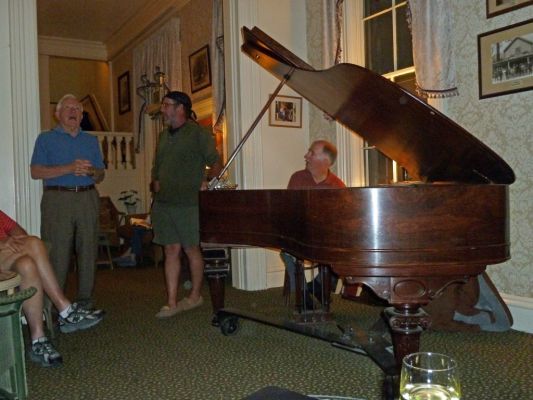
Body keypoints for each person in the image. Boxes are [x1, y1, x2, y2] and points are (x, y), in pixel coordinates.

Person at [0, 210, 104, 367]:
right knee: (34, 244)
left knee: (27, 264)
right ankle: (65, 310)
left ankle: (38, 340)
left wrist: (12, 243)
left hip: (6, 259)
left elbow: (19, 232)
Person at [30, 94, 105, 310]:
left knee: (89, 251)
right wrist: (70, 168)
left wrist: (91, 171)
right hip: (57, 199)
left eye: (78, 109)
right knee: (57, 254)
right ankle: (54, 307)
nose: (74, 112)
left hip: (87, 197)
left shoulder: (91, 140)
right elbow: (36, 172)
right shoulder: (45, 139)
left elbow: (100, 174)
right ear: (58, 114)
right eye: (69, 108)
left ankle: (85, 303)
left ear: (81, 116)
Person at [151, 91, 222, 318]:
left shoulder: (199, 133)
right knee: (170, 249)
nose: (162, 110)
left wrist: (207, 180)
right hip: (163, 204)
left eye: (166, 105)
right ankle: (171, 302)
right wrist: (155, 181)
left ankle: (194, 296)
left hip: (189, 204)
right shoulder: (163, 136)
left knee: (191, 248)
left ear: (180, 108)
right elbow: (157, 166)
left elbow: (216, 163)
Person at [281, 140, 346, 307]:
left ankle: (318, 285)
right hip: (300, 235)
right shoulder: (297, 178)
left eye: (311, 153)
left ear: (326, 161)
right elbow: (288, 211)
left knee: (343, 251)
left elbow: (341, 220)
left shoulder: (337, 186)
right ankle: (301, 294)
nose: (306, 156)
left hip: (324, 239)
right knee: (288, 251)